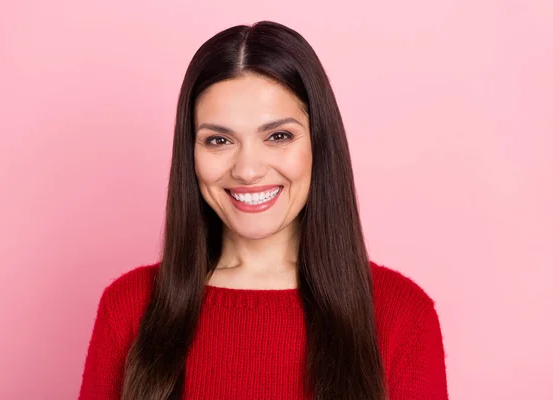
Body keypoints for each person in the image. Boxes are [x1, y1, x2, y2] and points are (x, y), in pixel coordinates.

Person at [78, 20, 448, 400]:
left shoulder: (402, 317)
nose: (248, 170)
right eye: (218, 140)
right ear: (190, 153)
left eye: (278, 136)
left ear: (319, 144)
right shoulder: (129, 308)